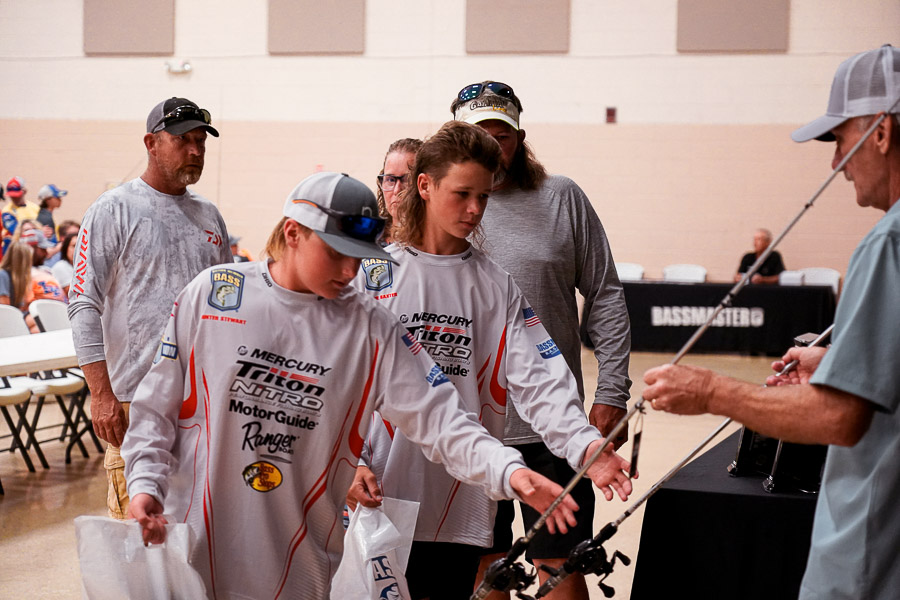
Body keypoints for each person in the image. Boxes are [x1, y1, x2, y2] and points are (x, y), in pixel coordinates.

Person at [122, 171, 581, 599]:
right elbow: (156, 410)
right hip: (193, 551)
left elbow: (442, 419)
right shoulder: (213, 297)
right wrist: (144, 485)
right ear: (293, 233)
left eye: (358, 258)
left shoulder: (371, 327)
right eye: (337, 254)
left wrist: (508, 470)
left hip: (299, 567)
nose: (349, 272)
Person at [642, 45, 900, 600]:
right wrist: (841, 362)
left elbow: (838, 418)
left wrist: (711, 391)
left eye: (840, 140)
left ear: (880, 133)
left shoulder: (888, 245)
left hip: (874, 560)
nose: (836, 164)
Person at [346, 122, 633, 599]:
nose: (475, 209)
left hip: (460, 501)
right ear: (425, 185)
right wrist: (348, 461)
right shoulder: (373, 275)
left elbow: (542, 382)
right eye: (462, 194)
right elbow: (339, 381)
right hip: (378, 492)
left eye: (483, 196)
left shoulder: (495, 285)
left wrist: (585, 446)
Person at [450, 81, 632, 598]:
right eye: (477, 135)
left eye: (501, 134)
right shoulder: (440, 209)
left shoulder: (561, 198)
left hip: (553, 426)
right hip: (468, 426)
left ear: (519, 137)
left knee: (560, 565)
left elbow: (606, 294)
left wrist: (612, 391)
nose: (490, 145)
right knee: (484, 566)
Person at [67, 96, 231, 520]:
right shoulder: (114, 209)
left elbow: (229, 309)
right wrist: (101, 394)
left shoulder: (209, 216)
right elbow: (83, 302)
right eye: (182, 140)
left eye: (201, 142)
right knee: (139, 529)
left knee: (196, 525)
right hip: (133, 400)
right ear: (151, 143)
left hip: (200, 402)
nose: (195, 151)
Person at [375, 137, 423, 242]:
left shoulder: (436, 243)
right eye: (390, 180)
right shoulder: (371, 238)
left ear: (424, 184)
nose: (397, 190)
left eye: (407, 180)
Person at [36, 184, 68, 267]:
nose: (60, 199)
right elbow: (48, 248)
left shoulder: (46, 215)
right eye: (57, 197)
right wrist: (60, 246)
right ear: (48, 200)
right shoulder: (45, 218)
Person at [51, 232, 78, 296]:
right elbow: (73, 293)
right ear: (66, 248)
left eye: (81, 246)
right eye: (74, 246)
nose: (78, 249)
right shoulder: (60, 266)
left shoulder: (89, 267)